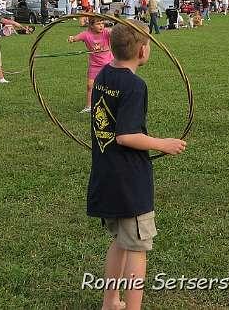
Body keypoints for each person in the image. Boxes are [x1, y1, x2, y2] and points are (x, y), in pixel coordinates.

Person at [86, 21, 186, 310]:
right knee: (137, 248)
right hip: (129, 179)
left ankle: (110, 302)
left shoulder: (104, 73)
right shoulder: (134, 85)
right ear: (143, 50)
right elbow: (126, 136)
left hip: (106, 173)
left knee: (120, 241)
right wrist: (162, 143)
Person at [68, 16, 114, 112]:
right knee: (90, 85)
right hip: (95, 65)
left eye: (102, 23)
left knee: (111, 86)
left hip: (109, 63)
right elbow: (76, 38)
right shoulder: (86, 35)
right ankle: (89, 107)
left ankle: (112, 104)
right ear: (91, 25)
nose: (101, 26)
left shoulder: (106, 32)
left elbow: (114, 32)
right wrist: (72, 39)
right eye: (98, 24)